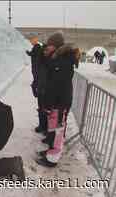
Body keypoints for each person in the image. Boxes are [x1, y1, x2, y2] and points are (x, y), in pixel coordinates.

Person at [36, 32, 80, 167]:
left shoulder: (62, 61)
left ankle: (52, 159)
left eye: (49, 45)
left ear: (55, 46)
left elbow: (57, 85)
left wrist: (50, 103)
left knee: (58, 130)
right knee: (54, 128)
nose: (47, 48)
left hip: (60, 103)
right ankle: (51, 152)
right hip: (56, 102)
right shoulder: (58, 59)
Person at [26, 33, 42, 98]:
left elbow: (32, 54)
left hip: (36, 65)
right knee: (36, 77)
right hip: (36, 65)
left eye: (31, 41)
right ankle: (36, 89)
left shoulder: (37, 46)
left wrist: (27, 52)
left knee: (36, 78)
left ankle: (36, 91)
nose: (30, 42)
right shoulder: (37, 47)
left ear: (34, 40)